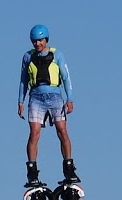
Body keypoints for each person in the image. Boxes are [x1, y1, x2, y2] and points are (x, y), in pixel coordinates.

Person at [17, 24, 80, 187]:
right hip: (36, 97)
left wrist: (70, 98)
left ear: (46, 39)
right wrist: (20, 101)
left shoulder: (57, 54)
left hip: (55, 96)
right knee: (34, 133)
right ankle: (32, 172)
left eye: (40, 41)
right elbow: (23, 80)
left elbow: (66, 77)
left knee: (62, 130)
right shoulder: (27, 57)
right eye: (34, 41)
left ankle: (69, 168)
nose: (37, 44)